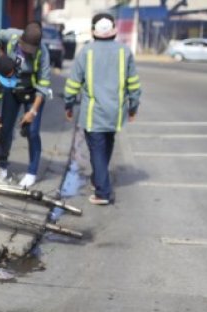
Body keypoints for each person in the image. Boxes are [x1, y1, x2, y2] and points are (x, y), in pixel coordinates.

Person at [64, 13, 141, 205]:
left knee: (97, 150)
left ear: (93, 32)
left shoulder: (86, 52)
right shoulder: (125, 52)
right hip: (115, 113)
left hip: (93, 114)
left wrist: (68, 103)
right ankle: (98, 178)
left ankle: (103, 192)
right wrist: (133, 107)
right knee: (107, 144)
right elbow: (133, 84)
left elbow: (73, 82)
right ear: (114, 31)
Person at [0, 22, 52, 188]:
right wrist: (2, 56)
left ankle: (32, 172)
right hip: (12, 89)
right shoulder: (12, 35)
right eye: (25, 47)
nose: (27, 52)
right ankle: (2, 166)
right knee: (5, 128)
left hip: (32, 93)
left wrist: (32, 111)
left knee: (32, 132)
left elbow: (43, 86)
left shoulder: (43, 53)